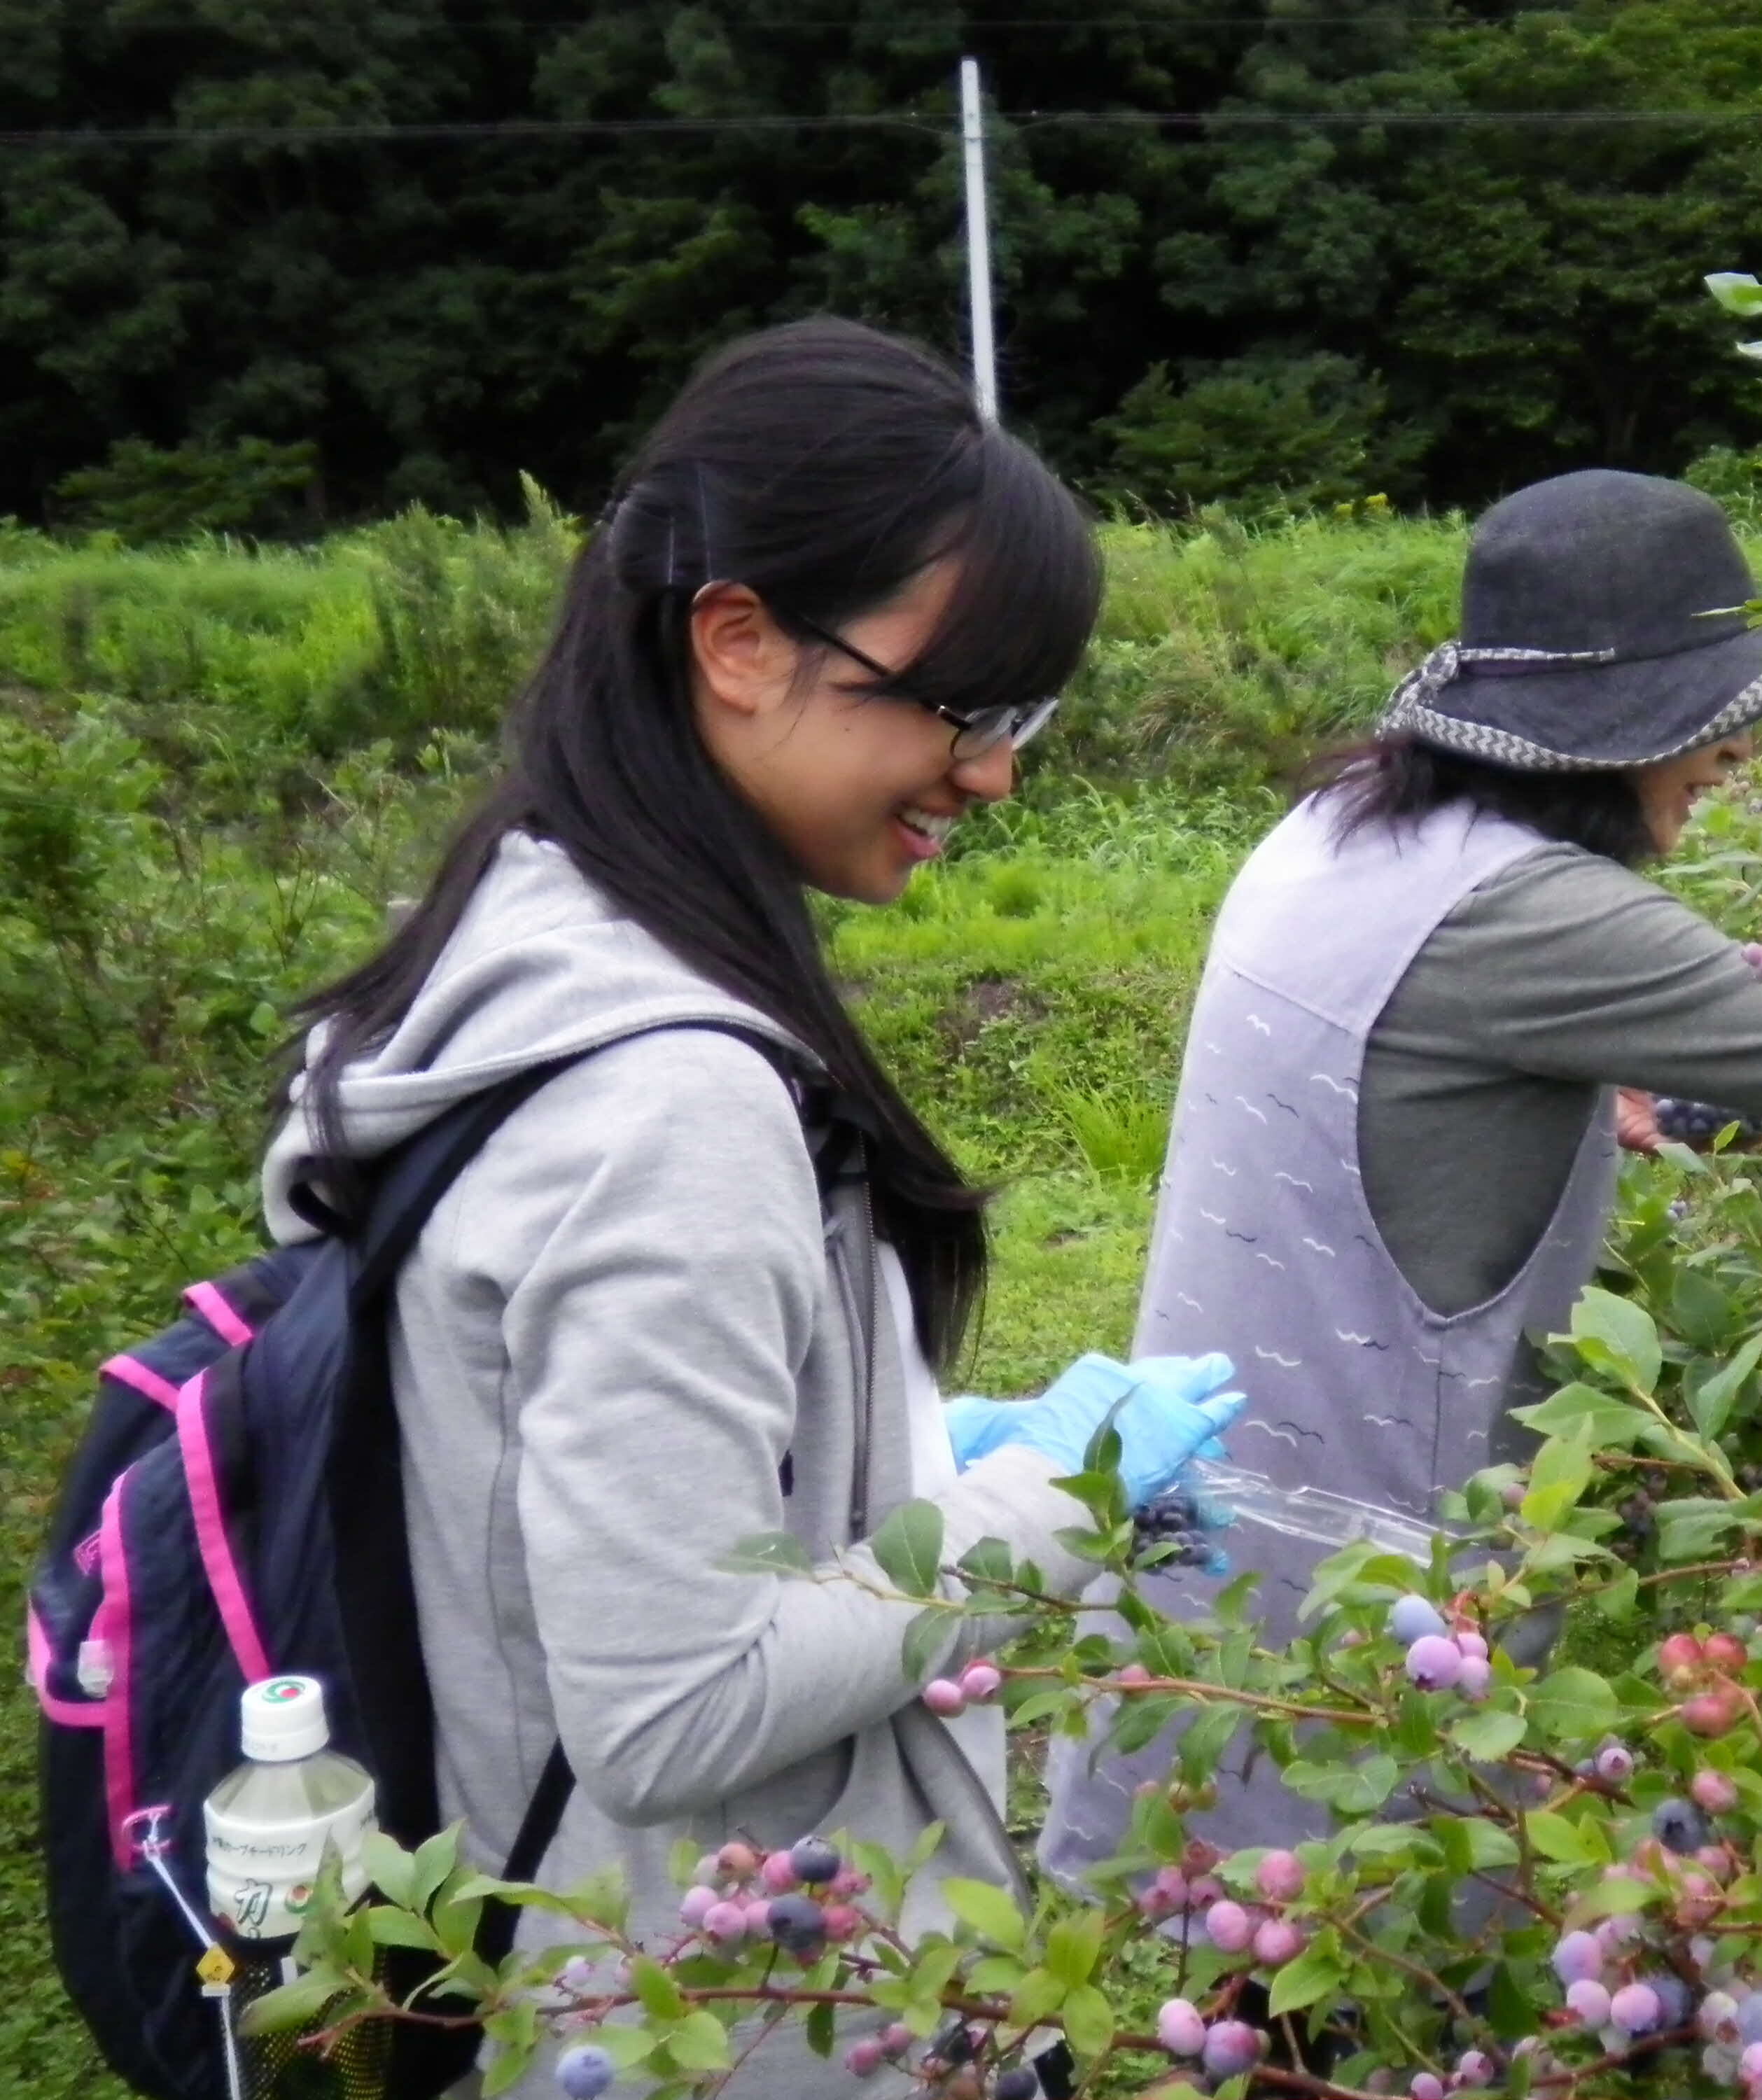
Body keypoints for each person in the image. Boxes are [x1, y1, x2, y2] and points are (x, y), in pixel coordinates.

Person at [266, 318, 1244, 2094]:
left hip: (563, 1942)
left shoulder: (522, 926)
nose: (998, 773)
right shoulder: (668, 1100)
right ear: (737, 640)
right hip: (722, 2011)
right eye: (964, 709)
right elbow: (676, 1708)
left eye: (1025, 716)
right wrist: (1049, 1505)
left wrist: (918, 1456)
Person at [1042, 469, 1762, 1880]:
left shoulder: (1334, 837)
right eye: (1710, 727)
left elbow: (1420, 1054)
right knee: (1359, 1964)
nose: (1738, 757)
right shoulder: (1535, 914)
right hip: (1373, 1575)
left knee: (1213, 1959)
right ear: (1601, 740)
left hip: (1200, 1519)